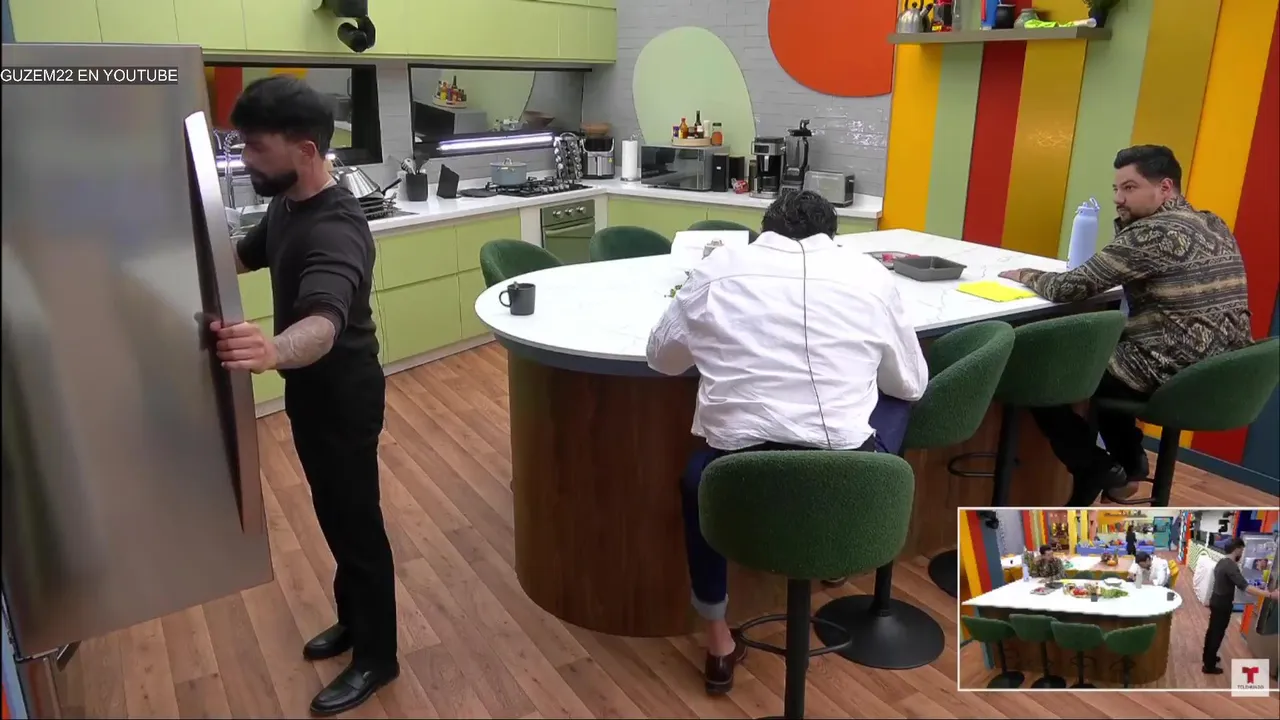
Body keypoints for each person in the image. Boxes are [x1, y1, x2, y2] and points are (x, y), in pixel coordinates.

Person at [646, 190, 928, 695]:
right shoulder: (871, 276)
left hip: (736, 472)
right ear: (832, 236)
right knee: (899, 399)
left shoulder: (716, 270)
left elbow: (661, 359)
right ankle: (838, 545)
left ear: (765, 229)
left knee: (698, 481)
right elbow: (911, 383)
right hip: (848, 469)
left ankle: (717, 641)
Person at [212, 76, 398, 715]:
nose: (245, 160)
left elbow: (323, 323)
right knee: (333, 513)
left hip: (343, 396)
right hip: (310, 392)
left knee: (357, 523)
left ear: (306, 149)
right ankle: (354, 620)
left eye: (255, 148)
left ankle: (378, 657)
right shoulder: (286, 203)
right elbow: (243, 256)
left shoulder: (336, 227)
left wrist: (271, 350)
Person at [998, 145, 1252, 506]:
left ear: (1165, 188)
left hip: (1175, 373)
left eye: (1130, 188)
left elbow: (1068, 287)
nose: (1118, 198)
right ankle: (1130, 463)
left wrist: (1024, 274)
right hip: (1225, 372)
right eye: (1116, 188)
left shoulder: (1151, 233)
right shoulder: (1214, 223)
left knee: (1040, 372)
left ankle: (1092, 466)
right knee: (1111, 358)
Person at [1203, 538, 1279, 674]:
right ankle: (1209, 666)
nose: (1242, 553)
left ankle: (1209, 658)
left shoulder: (1222, 562)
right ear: (1237, 549)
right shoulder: (1231, 566)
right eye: (1242, 550)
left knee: (1212, 631)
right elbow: (1246, 587)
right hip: (1222, 605)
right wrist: (1270, 595)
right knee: (1217, 634)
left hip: (1216, 600)